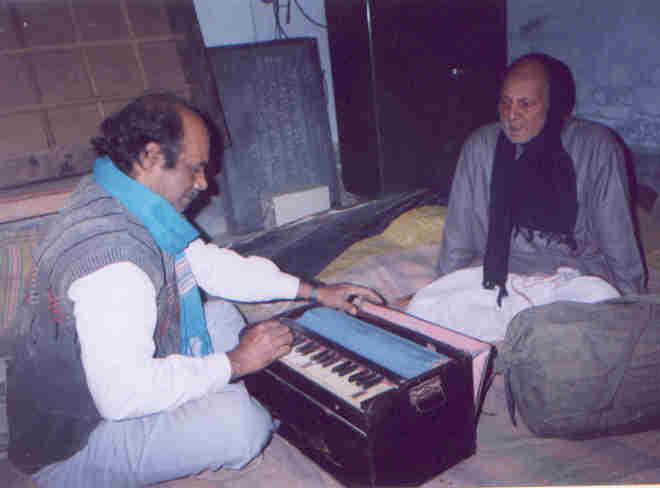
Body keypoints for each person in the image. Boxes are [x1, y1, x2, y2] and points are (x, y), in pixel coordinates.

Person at [7, 93, 382, 487]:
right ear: (151, 157)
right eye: (196, 168)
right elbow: (121, 396)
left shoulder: (119, 192)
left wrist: (315, 292)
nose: (205, 184)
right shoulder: (115, 265)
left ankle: (212, 390)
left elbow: (210, 266)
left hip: (100, 380)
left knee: (220, 315)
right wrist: (235, 363)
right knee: (242, 425)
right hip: (74, 442)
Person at [407, 53, 644, 342]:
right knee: (423, 308)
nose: (511, 115)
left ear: (552, 104)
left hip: (568, 283)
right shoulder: (481, 147)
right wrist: (444, 287)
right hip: (496, 280)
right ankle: (526, 337)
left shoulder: (595, 147)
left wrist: (632, 304)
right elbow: (459, 237)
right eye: (505, 102)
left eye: (525, 104)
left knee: (599, 309)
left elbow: (616, 236)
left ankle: (530, 339)